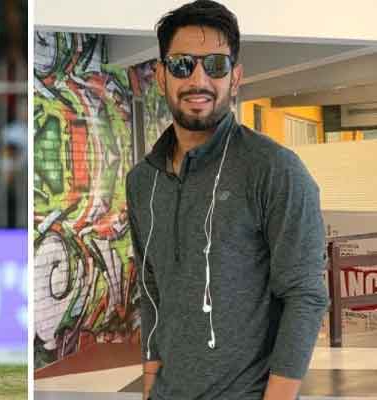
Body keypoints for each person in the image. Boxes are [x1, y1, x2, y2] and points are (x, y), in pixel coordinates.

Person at [125, 1, 328, 399]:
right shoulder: (142, 181)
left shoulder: (275, 169)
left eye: (215, 65)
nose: (198, 79)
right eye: (182, 64)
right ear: (161, 75)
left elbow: (305, 295)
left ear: (235, 77)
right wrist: (151, 386)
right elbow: (151, 290)